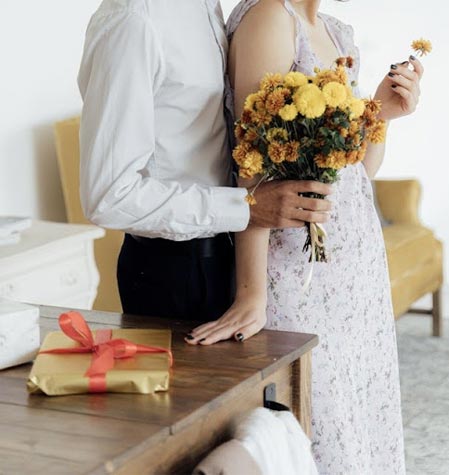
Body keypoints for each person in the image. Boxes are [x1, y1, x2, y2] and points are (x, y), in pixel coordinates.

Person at [186, 0, 424, 472]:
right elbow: (252, 163)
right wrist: (252, 293)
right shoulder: (271, 17)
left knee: (358, 411)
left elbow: (355, 169)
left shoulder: (336, 31)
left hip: (353, 264)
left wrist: (383, 113)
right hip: (298, 267)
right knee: (321, 421)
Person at [77, 0, 332, 325]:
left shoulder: (207, 7)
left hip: (228, 256)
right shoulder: (133, 18)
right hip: (174, 271)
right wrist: (246, 208)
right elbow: (108, 197)